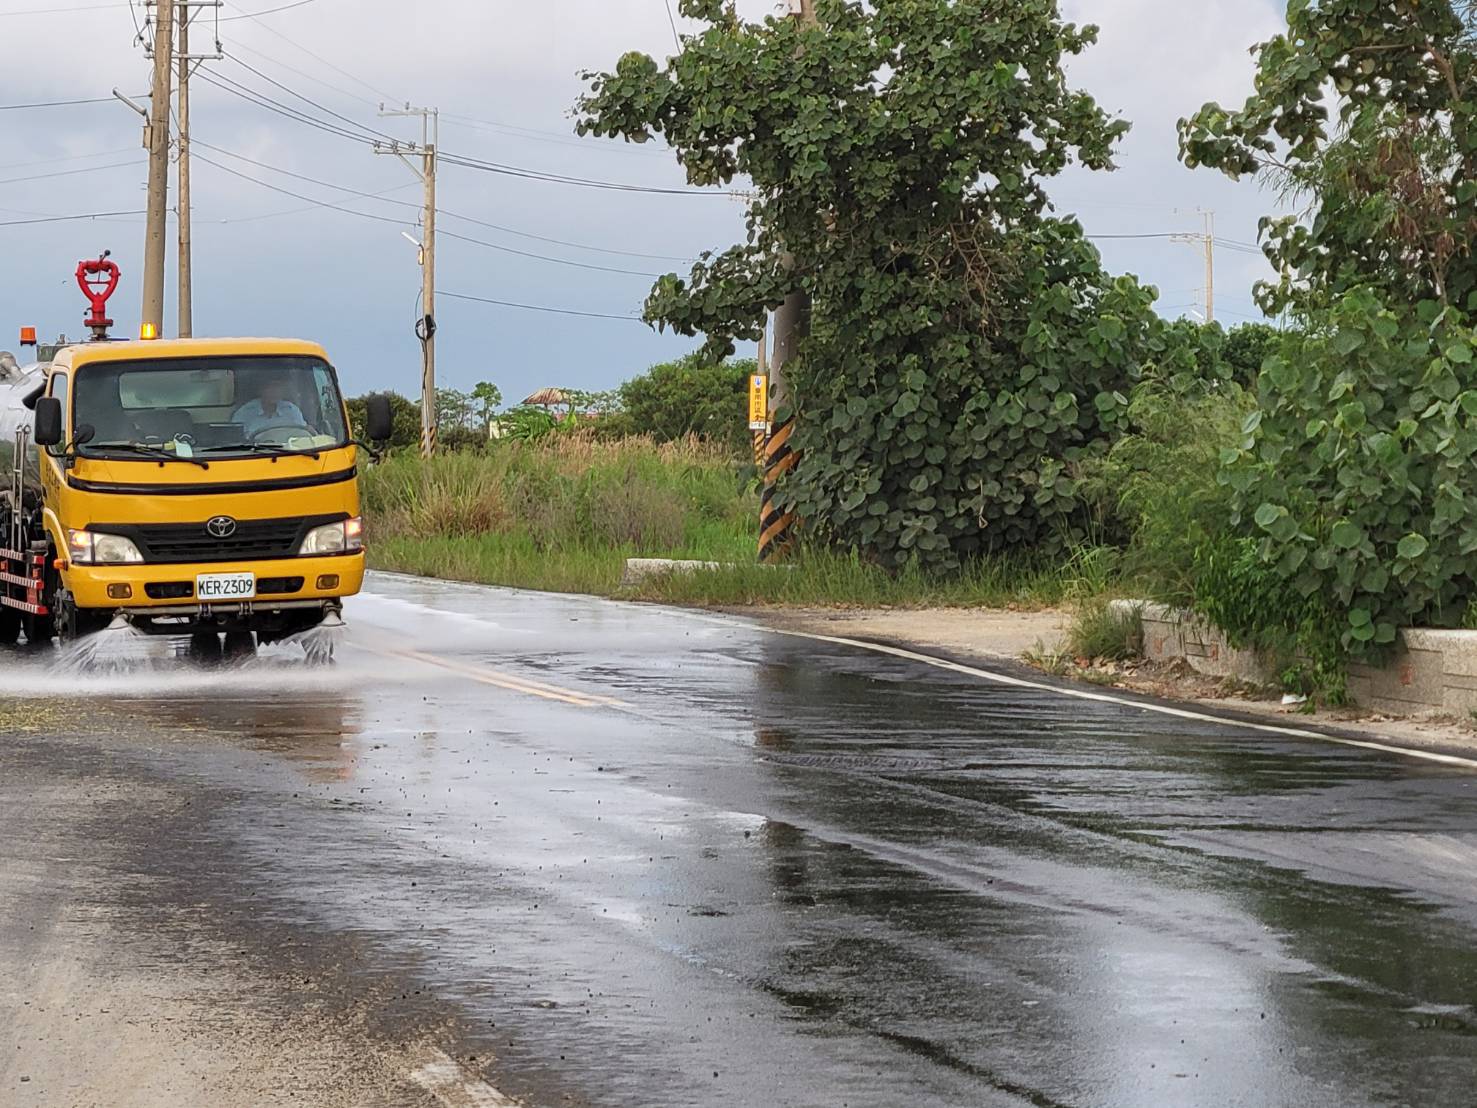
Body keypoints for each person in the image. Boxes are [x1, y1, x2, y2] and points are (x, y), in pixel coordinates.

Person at [232, 377, 308, 438]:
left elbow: (304, 435)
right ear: (260, 390)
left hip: (288, 454)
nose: (274, 391)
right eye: (269, 387)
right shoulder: (245, 412)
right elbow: (233, 439)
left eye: (277, 386)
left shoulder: (291, 410)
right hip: (254, 455)